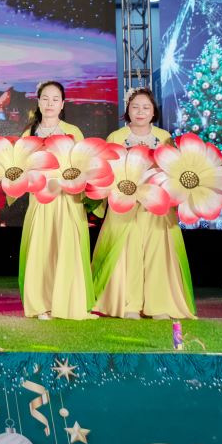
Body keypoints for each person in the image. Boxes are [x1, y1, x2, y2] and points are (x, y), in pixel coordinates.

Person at [93, 88, 196, 319]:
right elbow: (106, 170)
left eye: (146, 107)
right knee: (127, 251)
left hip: (156, 204)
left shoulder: (164, 137)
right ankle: (129, 304)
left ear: (153, 112)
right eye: (135, 107)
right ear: (128, 110)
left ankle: (159, 304)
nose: (140, 112)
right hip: (125, 204)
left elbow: (173, 170)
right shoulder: (116, 137)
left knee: (158, 252)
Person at [19, 81, 93, 320]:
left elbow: (85, 164)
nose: (50, 104)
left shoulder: (73, 132)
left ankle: (68, 303)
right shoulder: (29, 133)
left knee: (67, 247)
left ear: (62, 104)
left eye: (55, 99)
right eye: (45, 98)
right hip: (40, 198)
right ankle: (41, 305)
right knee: (41, 249)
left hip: (68, 199)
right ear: (38, 102)